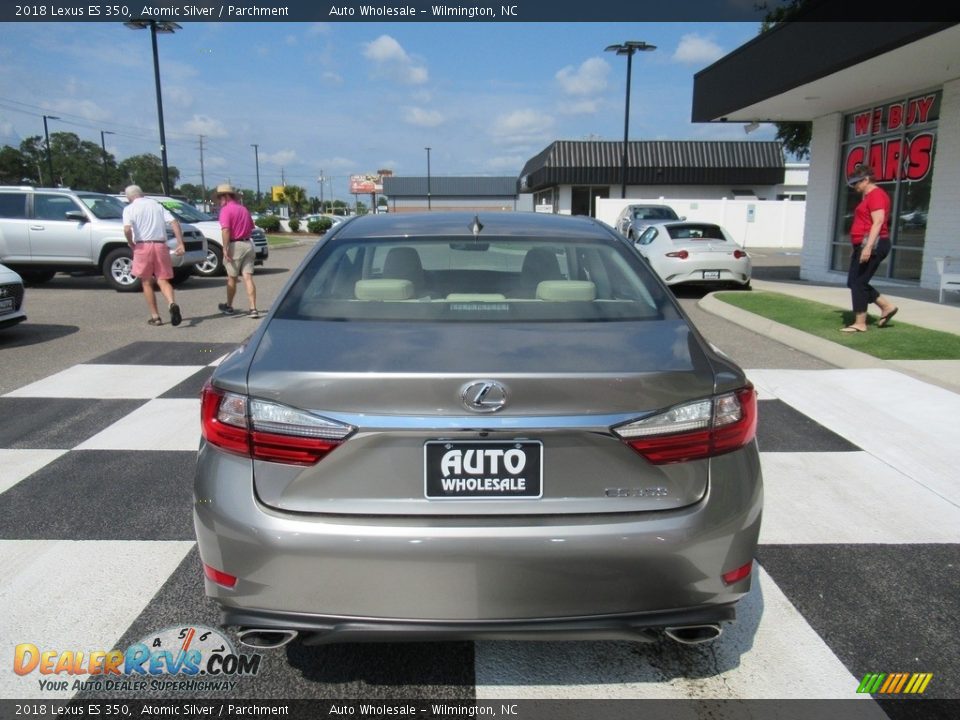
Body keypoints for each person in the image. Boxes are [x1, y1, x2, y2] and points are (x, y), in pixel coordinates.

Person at [841, 165, 899, 333]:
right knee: (853, 282)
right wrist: (858, 246)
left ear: (866, 179)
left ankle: (860, 322)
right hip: (863, 244)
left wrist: (868, 247)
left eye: (856, 183)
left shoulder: (876, 195)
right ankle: (886, 306)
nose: (854, 187)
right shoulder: (868, 196)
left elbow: (878, 222)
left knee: (858, 282)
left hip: (874, 244)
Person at [122, 185, 184, 327]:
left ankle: (155, 316)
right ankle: (171, 303)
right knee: (163, 279)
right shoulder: (156, 205)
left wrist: (130, 242)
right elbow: (174, 222)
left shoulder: (129, 209)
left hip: (143, 245)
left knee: (146, 281)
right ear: (141, 193)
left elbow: (127, 229)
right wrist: (180, 243)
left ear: (129, 197)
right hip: (160, 244)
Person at [215, 183, 260, 318]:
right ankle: (253, 308)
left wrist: (225, 248)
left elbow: (226, 230)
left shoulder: (226, 210)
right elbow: (251, 226)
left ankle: (229, 306)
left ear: (226, 196)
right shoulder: (244, 209)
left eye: (220, 197)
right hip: (248, 244)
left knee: (232, 278)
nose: (219, 200)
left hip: (235, 245)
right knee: (248, 277)